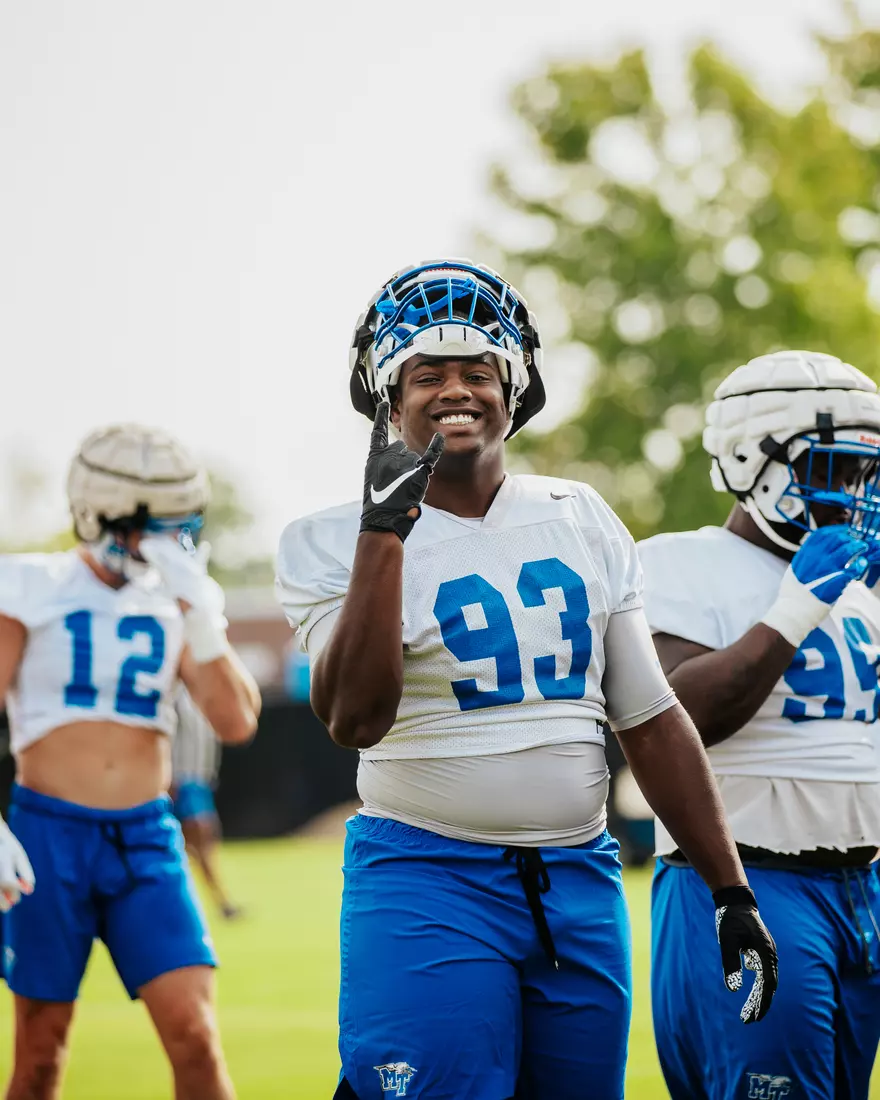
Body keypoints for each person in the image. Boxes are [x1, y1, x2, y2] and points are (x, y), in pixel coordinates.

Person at [275, 259, 778, 1100]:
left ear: (515, 385)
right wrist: (383, 536)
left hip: (580, 878)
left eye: (478, 370)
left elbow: (651, 718)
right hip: (427, 878)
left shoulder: (579, 515)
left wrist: (731, 888)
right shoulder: (329, 538)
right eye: (426, 373)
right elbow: (355, 717)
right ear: (386, 397)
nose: (455, 390)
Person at [639, 350, 880, 1100]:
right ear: (754, 460)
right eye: (832, 469)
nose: (851, 493)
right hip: (747, 880)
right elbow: (677, 718)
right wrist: (792, 611)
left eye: (863, 473)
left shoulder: (861, 581)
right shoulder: (677, 564)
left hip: (861, 884)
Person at [0, 424, 261, 1100]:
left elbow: (236, 721)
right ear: (104, 515)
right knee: (39, 1053)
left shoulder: (182, 600)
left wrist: (202, 615)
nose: (167, 541)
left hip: (147, 836)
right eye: (157, 525)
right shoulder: (32, 582)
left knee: (197, 1038)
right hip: (46, 838)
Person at [171, 684, 242, 920]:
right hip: (182, 781)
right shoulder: (176, 695)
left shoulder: (204, 696)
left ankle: (215, 901)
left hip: (200, 780)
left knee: (200, 843)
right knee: (197, 839)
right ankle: (220, 902)